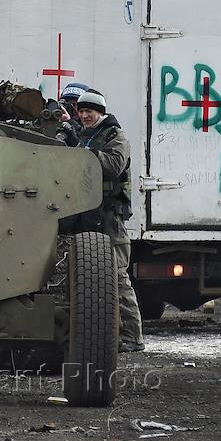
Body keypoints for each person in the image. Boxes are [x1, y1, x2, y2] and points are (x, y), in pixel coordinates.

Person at [75, 90, 144, 353]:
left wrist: (84, 154)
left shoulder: (116, 136)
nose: (85, 115)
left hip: (110, 216)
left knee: (117, 276)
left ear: (100, 112)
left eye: (89, 111)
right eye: (81, 111)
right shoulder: (82, 135)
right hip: (88, 215)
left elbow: (114, 165)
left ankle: (133, 336)